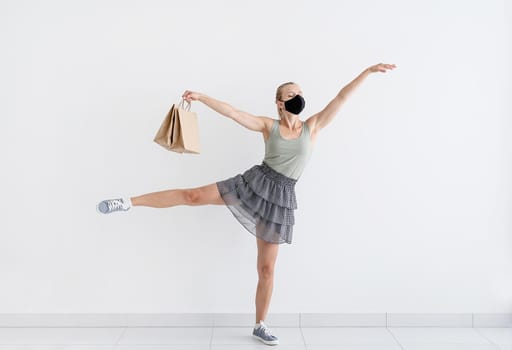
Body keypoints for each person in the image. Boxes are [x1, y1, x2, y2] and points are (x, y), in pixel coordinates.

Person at [96, 63, 397, 345]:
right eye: (291, 94)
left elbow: (342, 97)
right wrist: (201, 97)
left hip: (281, 199)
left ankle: (260, 324)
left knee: (266, 269)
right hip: (255, 183)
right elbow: (233, 113)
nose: (298, 98)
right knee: (193, 196)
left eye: (300, 93)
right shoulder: (269, 126)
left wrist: (367, 72)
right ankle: (127, 202)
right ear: (280, 103)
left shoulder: (312, 126)